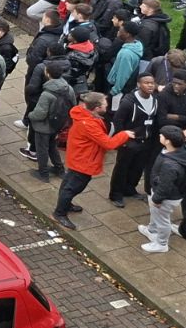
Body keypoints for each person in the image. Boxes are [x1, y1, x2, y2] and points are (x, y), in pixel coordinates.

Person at [52, 91, 131, 230]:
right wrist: (125, 134)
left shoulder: (85, 115)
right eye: (105, 104)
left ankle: (65, 204)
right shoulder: (89, 124)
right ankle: (60, 213)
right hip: (83, 160)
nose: (107, 106)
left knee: (69, 183)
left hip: (79, 157)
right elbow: (108, 144)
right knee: (73, 187)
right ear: (96, 108)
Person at [108, 73, 163, 207]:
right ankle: (116, 194)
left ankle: (130, 189)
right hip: (129, 142)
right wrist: (123, 139)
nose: (150, 85)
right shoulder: (128, 102)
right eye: (146, 83)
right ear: (138, 84)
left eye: (152, 83)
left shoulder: (155, 100)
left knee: (138, 168)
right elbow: (118, 120)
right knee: (122, 168)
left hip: (146, 141)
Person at [140, 126, 186, 253]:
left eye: (162, 135)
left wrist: (157, 199)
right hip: (169, 193)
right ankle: (152, 230)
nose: (159, 136)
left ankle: (161, 244)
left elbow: (165, 186)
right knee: (156, 214)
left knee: (162, 220)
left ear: (168, 141)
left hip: (165, 197)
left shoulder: (170, 165)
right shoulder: (181, 151)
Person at [29, 60, 75, 179]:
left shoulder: (47, 94)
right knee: (52, 146)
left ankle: (43, 173)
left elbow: (40, 114)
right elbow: (73, 105)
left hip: (44, 127)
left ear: (47, 73)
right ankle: (59, 169)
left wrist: (30, 115)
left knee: (42, 149)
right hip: (58, 124)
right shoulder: (69, 88)